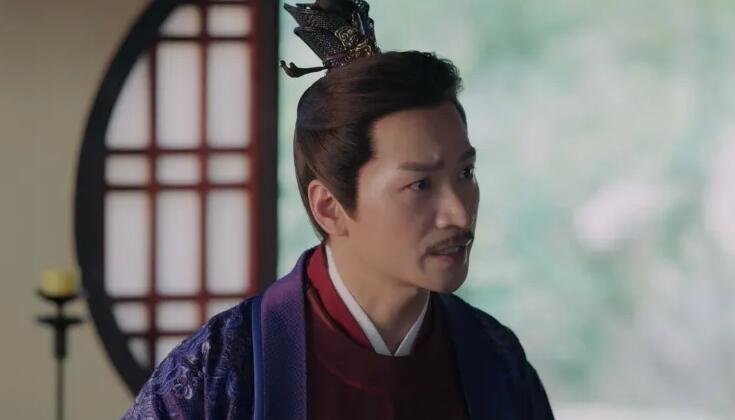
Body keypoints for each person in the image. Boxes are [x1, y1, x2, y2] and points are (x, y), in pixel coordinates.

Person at [122, 0, 554, 419]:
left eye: (465, 173)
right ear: (328, 207)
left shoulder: (496, 362)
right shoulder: (219, 373)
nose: (459, 215)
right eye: (420, 184)